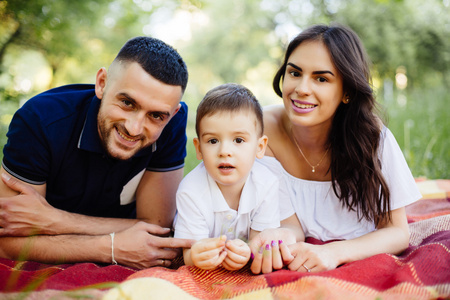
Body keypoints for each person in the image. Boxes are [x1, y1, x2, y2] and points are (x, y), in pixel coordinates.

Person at [0, 36, 195, 269]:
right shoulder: (40, 119)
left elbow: (159, 230)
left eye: (155, 116)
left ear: (172, 114)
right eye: (127, 103)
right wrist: (111, 248)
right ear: (102, 83)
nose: (134, 128)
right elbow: (8, 243)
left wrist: (55, 221)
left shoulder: (171, 122)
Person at [249, 24, 422, 274]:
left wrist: (334, 253)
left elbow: (397, 232)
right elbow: (286, 226)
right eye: (295, 73)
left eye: (321, 78)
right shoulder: (260, 131)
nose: (302, 89)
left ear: (347, 92)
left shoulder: (371, 136)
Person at [174, 83, 282, 271]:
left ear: (260, 147)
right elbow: (189, 255)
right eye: (213, 141)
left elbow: (260, 244)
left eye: (238, 140)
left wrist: (248, 252)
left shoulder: (267, 184)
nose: (225, 151)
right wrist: (196, 255)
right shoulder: (190, 191)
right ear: (199, 148)